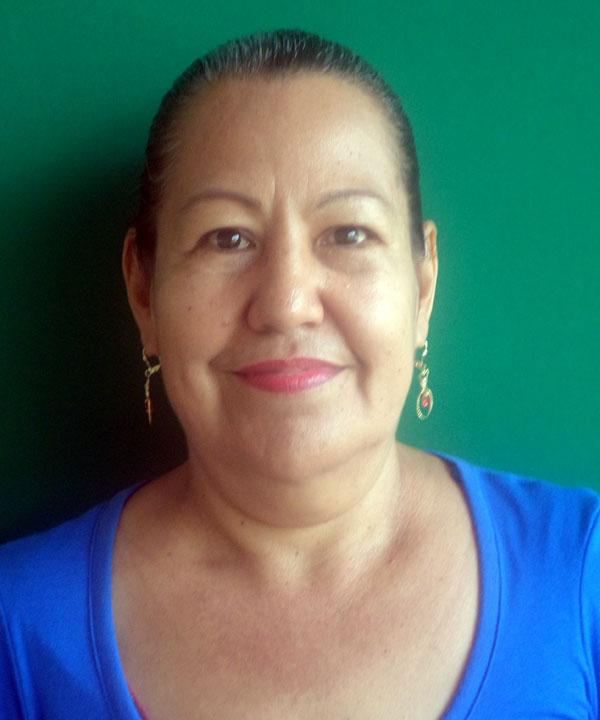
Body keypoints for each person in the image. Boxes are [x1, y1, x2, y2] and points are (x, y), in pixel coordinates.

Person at [0, 29, 598, 720]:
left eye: (349, 234)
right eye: (227, 238)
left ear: (424, 284)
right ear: (143, 290)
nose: (286, 302)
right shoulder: (17, 626)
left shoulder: (582, 575)